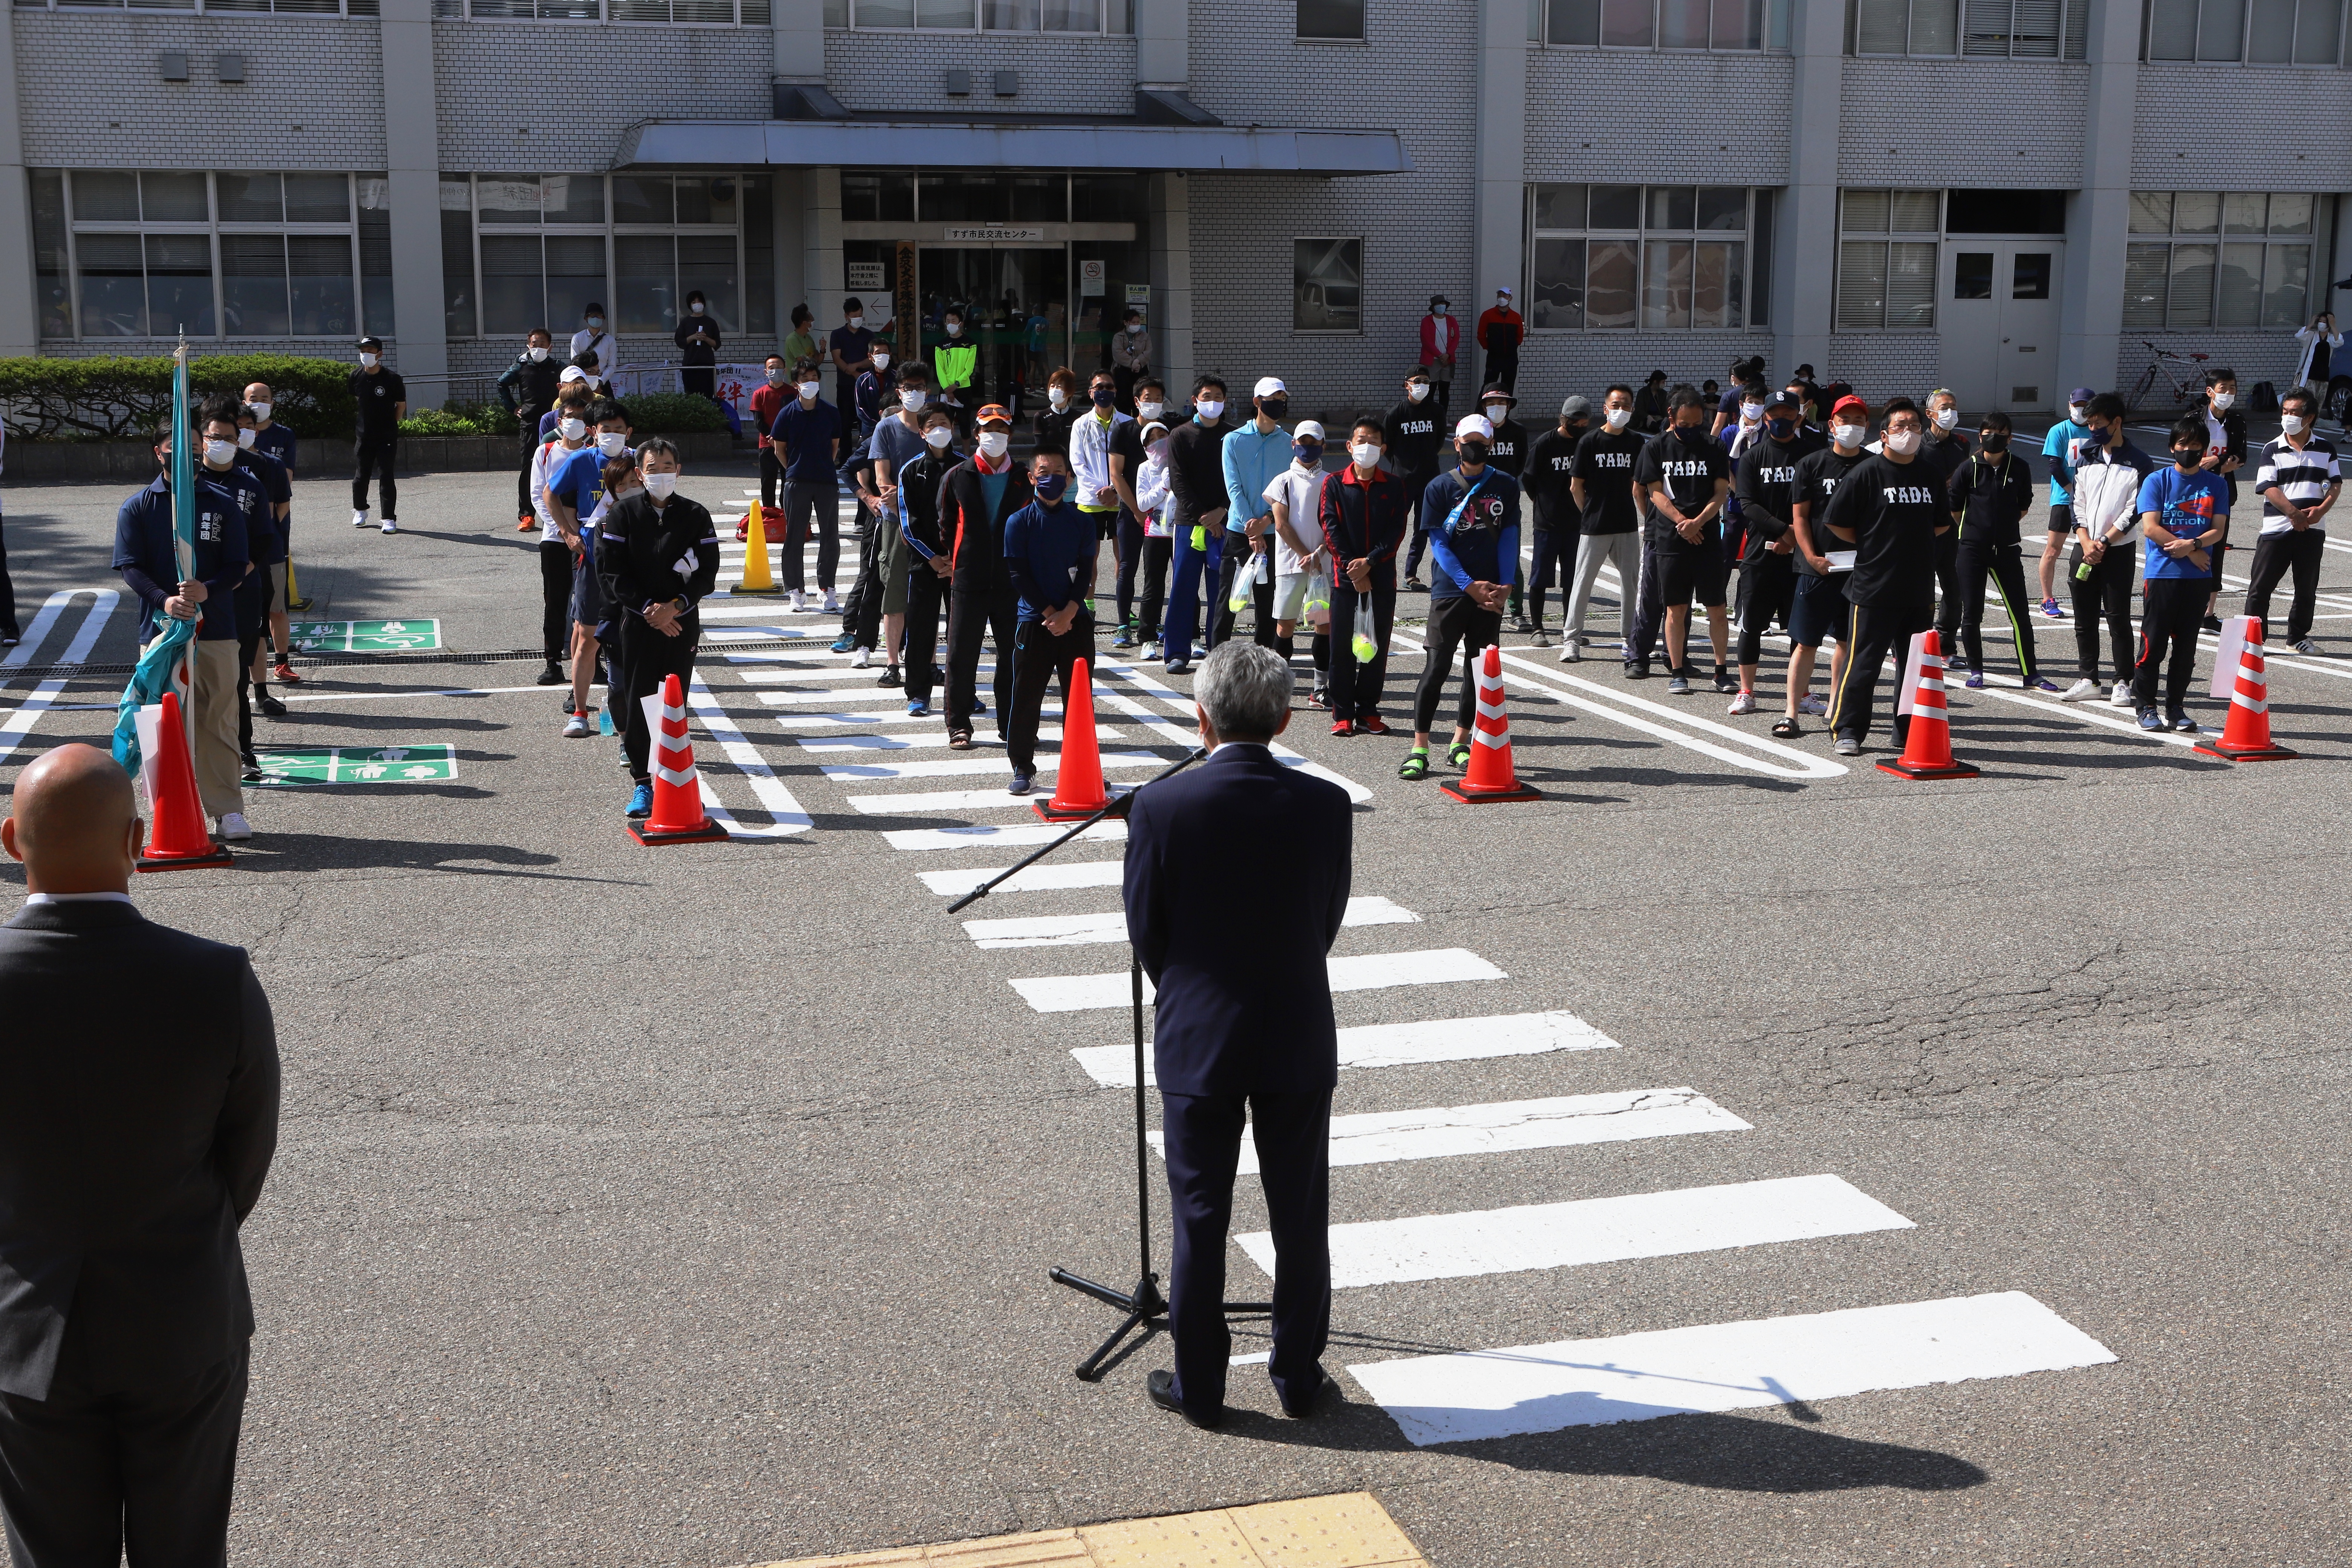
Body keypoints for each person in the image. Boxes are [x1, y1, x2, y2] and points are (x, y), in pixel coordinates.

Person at [0, 743, 280, 1566]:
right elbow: (245, 1153)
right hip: (183, 1314)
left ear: (13, 840)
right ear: (137, 838)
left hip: (24, 1322)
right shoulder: (214, 977)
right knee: (186, 1548)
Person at [1128, 640, 1349, 1430]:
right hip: (1294, 1027)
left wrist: (1188, 990)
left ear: (1202, 716)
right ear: (1286, 717)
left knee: (1199, 1216)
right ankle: (1297, 1374)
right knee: (1300, 1214)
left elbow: (1146, 929)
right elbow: (1327, 917)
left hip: (1199, 1034)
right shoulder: (1326, 803)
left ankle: (1203, 1388)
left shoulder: (1160, 807)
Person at [114, 415, 259, 842]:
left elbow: (238, 564)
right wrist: (165, 600)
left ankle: (227, 808)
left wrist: (206, 591)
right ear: (158, 453)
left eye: (195, 449)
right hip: (160, 633)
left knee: (219, 719)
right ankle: (167, 810)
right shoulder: (139, 506)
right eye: (176, 449)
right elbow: (130, 566)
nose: (189, 457)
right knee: (160, 722)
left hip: (216, 631)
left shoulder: (221, 502)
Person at [1823, 397, 1952, 757]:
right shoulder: (1866, 473)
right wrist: (1872, 542)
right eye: (1900, 427)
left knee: (1913, 668)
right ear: (1884, 435)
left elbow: (1942, 522)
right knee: (1863, 663)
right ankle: (1848, 729)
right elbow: (1836, 521)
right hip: (1873, 587)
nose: (1908, 433)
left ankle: (1907, 730)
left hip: (1918, 587)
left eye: (1914, 426)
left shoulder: (1929, 473)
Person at [600, 439, 720, 817]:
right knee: (640, 700)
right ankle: (643, 783)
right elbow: (613, 572)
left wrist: (676, 608)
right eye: (653, 468)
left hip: (681, 623)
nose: (662, 473)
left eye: (668, 466)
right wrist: (650, 609)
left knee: (673, 702)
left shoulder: (696, 514)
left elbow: (708, 571)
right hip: (638, 622)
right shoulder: (623, 515)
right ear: (640, 473)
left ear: (679, 470)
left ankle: (675, 781)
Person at [1399, 415, 1520, 782]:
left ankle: (1460, 742)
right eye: (1469, 441)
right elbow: (1439, 545)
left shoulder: (1506, 484)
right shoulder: (1439, 488)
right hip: (1452, 590)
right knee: (1436, 667)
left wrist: (1506, 585)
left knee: (1477, 671)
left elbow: (1510, 535)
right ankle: (1420, 748)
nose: (1475, 447)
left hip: (1491, 593)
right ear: (1456, 443)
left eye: (1482, 441)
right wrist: (1470, 584)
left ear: (1491, 444)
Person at [1000, 449, 1096, 796]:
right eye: (1044, 470)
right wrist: (1050, 614)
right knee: (1026, 696)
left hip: (1076, 622)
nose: (1052, 476)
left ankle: (1086, 766)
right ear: (1031, 476)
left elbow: (1086, 570)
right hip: (1034, 621)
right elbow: (1018, 575)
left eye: (1059, 471)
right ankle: (1022, 766)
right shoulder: (1019, 521)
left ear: (1069, 478)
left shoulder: (1082, 520)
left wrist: (1069, 612)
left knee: (1080, 700)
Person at [936, 404, 1032, 749]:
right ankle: (958, 725)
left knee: (1014, 655)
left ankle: (1012, 726)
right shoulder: (959, 475)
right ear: (977, 434)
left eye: (1003, 430)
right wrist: (957, 559)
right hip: (969, 579)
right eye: (989, 429)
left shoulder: (1023, 477)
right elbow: (946, 524)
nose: (996, 436)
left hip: (1011, 580)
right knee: (961, 654)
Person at [1778, 395, 1872, 738]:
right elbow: (1800, 517)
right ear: (1831, 425)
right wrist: (1812, 556)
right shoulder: (1812, 464)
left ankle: (1836, 705)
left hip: (1859, 570)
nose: (1852, 426)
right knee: (1806, 643)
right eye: (1845, 420)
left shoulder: (1873, 466)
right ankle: (1791, 712)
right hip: (1815, 567)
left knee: (1847, 642)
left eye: (1859, 421)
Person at [1943, 411, 2057, 692]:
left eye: (2000, 433)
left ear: (2010, 437)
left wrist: (2001, 527)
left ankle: (2031, 674)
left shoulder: (2018, 467)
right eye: (1988, 433)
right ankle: (1976, 670)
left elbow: (2024, 505)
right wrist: (1976, 530)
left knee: (2020, 613)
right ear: (1980, 436)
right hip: (1971, 550)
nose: (1994, 438)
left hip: (2007, 550)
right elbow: (1955, 508)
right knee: (1972, 613)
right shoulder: (1967, 468)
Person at [1727, 387, 1822, 714]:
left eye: (1788, 414)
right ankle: (1746, 691)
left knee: (1801, 629)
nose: (1781, 419)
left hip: (1802, 557)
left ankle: (1804, 693)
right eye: (1775, 414)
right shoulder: (1753, 456)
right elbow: (1747, 504)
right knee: (1752, 624)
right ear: (1765, 418)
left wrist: (1796, 537)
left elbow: (1820, 504)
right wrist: (1783, 531)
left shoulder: (1812, 455)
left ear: (1799, 416)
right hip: (1760, 553)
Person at [2130, 417, 2226, 733]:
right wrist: (2189, 550)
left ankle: (2176, 707)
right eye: (2183, 445)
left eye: (2195, 445)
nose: (2189, 450)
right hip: (2163, 574)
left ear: (2204, 449)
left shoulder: (2217, 484)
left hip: (2198, 579)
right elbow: (2150, 527)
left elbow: (2219, 529)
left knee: (2186, 648)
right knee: (2153, 643)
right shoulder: (2157, 481)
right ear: (2173, 447)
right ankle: (2145, 706)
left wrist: (2196, 544)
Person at [1636, 387, 1735, 696]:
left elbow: (1722, 492)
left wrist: (1699, 522)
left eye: (1697, 424)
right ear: (1672, 417)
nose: (1691, 430)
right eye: (1685, 424)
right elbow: (1654, 493)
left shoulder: (1715, 447)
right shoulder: (1656, 447)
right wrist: (1682, 522)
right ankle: (1677, 672)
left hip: (1706, 538)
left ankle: (1721, 671)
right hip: (1672, 539)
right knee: (1675, 609)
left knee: (1717, 608)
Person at [2058, 394, 2154, 707]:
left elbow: (2135, 509)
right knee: (2084, 618)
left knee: (2118, 618)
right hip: (2084, 548)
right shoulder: (2087, 456)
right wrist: (2085, 540)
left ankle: (2123, 681)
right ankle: (2089, 678)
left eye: (2098, 424)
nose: (2093, 429)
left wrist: (2106, 541)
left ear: (2117, 423)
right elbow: (2078, 502)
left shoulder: (2139, 462)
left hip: (2118, 550)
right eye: (2090, 424)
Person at [1319, 418, 1409, 737]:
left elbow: (1397, 532)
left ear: (1383, 449)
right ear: (1349, 446)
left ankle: (1368, 710)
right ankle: (1342, 712)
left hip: (1381, 577)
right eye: (1361, 441)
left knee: (1375, 646)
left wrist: (1370, 563)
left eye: (1373, 442)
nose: (1366, 447)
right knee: (1342, 646)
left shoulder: (1395, 485)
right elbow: (1330, 529)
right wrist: (1352, 570)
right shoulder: (1334, 483)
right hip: (1345, 580)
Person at [2245, 385, 2342, 656]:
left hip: (2312, 530)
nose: (2288, 417)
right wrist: (2294, 514)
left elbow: (2335, 484)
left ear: (2309, 417)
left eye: (2294, 412)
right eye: (2285, 411)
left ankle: (2298, 636)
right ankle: (2254, 640)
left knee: (2306, 588)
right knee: (2260, 588)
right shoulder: (2272, 448)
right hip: (2277, 529)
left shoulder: (2325, 448)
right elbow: (2268, 487)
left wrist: (2321, 511)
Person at [227, 401, 293, 775]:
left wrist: (256, 549)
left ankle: (262, 690)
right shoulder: (202, 476)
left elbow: (278, 508)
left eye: (243, 427)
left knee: (259, 626)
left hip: (263, 559)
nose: (237, 435)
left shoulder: (265, 466)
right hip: (224, 574)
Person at [1564, 385, 1645, 665]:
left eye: (1626, 406)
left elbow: (1642, 486)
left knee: (1631, 584)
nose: (1620, 410)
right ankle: (1571, 640)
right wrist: (1588, 513)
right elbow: (1576, 486)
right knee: (1582, 583)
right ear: (1605, 408)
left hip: (1626, 524)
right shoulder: (1589, 442)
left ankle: (1628, 638)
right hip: (1595, 525)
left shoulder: (1636, 443)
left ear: (1633, 410)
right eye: (1616, 405)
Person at [892, 407, 962, 718]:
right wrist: (934, 559)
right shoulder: (911, 470)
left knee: (963, 632)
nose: (938, 430)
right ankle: (918, 694)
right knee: (921, 631)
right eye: (931, 425)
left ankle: (964, 693)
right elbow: (909, 524)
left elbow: (972, 519)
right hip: (924, 564)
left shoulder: (965, 467)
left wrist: (956, 559)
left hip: (960, 564)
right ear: (922, 432)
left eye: (944, 424)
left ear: (953, 427)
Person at [1162, 377, 1231, 674]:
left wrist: (1222, 512)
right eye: (1207, 396)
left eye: (1218, 396)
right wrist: (1203, 515)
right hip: (1190, 524)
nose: (1213, 401)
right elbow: (1178, 481)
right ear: (1195, 400)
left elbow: (1235, 481)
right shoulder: (1180, 435)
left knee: (1221, 591)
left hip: (1225, 523)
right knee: (1183, 589)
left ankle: (1219, 653)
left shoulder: (1232, 436)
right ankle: (1177, 651)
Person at [1218, 377, 1291, 649]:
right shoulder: (1234, 440)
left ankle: (1265, 656)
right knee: (1230, 597)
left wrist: (1267, 522)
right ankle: (1218, 654)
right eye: (1272, 399)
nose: (1277, 404)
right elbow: (1233, 487)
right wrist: (1251, 524)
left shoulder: (1289, 443)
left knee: (1268, 599)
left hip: (1274, 532)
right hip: (1240, 531)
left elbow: (1288, 491)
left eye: (1281, 399)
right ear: (1257, 402)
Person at [1262, 419, 1331, 703]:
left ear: (1323, 446)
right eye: (1303, 442)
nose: (1308, 447)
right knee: (1285, 626)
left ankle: (1320, 688)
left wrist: (1320, 555)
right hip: (1291, 565)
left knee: (1322, 625)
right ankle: (1280, 688)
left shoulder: (1331, 480)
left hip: (1322, 566)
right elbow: (1281, 524)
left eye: (1314, 442)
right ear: (1294, 444)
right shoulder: (1283, 481)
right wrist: (1308, 556)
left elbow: (1334, 525)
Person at [770, 360, 846, 614]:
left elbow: (835, 447)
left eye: (814, 377)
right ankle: (796, 591)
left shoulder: (831, 412)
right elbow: (779, 449)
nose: (811, 382)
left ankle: (827, 590)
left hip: (826, 480)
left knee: (830, 537)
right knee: (794, 538)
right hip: (796, 481)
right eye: (805, 379)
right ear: (796, 385)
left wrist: (824, 464)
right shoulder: (787, 413)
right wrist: (793, 468)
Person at [531, 385, 594, 689]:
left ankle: (597, 662)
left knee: (590, 603)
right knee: (556, 600)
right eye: (570, 416)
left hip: (590, 539)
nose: (576, 421)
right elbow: (539, 494)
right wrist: (561, 529)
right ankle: (553, 663)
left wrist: (580, 532)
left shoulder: (594, 454)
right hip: (555, 538)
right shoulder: (545, 452)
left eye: (582, 417)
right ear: (560, 421)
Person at [1519, 394, 1588, 649]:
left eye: (1584, 423)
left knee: (1573, 580)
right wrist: (1542, 503)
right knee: (1540, 578)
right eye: (1575, 422)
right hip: (1547, 523)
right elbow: (1528, 479)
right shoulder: (1545, 444)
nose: (1580, 427)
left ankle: (1571, 629)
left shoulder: (1585, 444)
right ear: (1565, 419)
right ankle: (1538, 628)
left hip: (1576, 523)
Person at [241, 382, 300, 665]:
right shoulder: (222, 462)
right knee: (248, 606)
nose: (259, 403)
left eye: (265, 399)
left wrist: (267, 528)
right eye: (254, 399)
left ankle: (282, 661)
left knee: (277, 603)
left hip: (272, 539)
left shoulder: (277, 449)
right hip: (238, 543)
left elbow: (283, 495)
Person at [1070, 369, 1133, 615]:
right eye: (1099, 388)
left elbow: (1134, 464)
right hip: (1090, 501)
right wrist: (1101, 491)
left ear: (1116, 391)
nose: (1104, 392)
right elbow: (1077, 463)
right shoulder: (1080, 425)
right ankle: (1088, 604)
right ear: (1091, 392)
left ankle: (1124, 607)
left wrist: (1116, 492)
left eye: (1109, 387)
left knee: (1124, 558)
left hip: (1122, 501)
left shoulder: (1127, 423)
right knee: (1089, 558)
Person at [1107, 375, 1164, 649]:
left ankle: (1155, 623)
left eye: (1157, 399)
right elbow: (1116, 475)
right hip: (1131, 510)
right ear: (1137, 401)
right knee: (1127, 567)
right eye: (1148, 398)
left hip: (1165, 514)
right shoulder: (1123, 431)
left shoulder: (1168, 432)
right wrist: (1137, 511)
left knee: (1160, 571)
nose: (1152, 403)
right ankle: (1122, 625)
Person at [2038, 388, 2096, 618]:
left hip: (2092, 501)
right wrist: (2072, 492)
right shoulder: (2059, 431)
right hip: (2064, 499)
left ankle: (2087, 597)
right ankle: (2046, 599)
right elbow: (2054, 466)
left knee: (2090, 550)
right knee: (2053, 550)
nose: (2081, 409)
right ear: (2070, 406)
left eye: (2086, 405)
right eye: (2078, 404)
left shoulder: (2098, 431)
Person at [1384, 369, 1443, 591]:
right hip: (1403, 481)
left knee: (1422, 528)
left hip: (1429, 480)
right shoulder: (1395, 414)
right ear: (1407, 385)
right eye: (1417, 381)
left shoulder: (1436, 411)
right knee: (1396, 526)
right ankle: (1386, 569)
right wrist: (1403, 467)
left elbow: (1438, 443)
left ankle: (1411, 574)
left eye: (1426, 381)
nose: (1422, 385)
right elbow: (1387, 447)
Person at [2196, 368, 2246, 631]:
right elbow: (2188, 458)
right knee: (2194, 546)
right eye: (2223, 388)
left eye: (2232, 388)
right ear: (2210, 391)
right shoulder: (2195, 419)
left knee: (2217, 550)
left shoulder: (2237, 420)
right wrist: (2218, 465)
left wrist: (2215, 462)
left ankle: (2208, 612)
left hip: (2223, 493)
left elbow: (2241, 456)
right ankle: (2188, 606)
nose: (2228, 393)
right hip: (2194, 493)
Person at [498, 327, 562, 530]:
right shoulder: (521, 367)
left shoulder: (558, 367)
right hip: (530, 423)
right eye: (535, 344)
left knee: (557, 466)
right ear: (529, 346)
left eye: (542, 344)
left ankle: (558, 513)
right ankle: (527, 515)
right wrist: (513, 408)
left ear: (550, 347)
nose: (538, 347)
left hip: (555, 424)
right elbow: (502, 384)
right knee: (528, 468)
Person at [1130, 419, 1178, 658]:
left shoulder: (1180, 463)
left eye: (1163, 435)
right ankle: (1147, 638)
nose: (1159, 441)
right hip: (1155, 533)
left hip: (1182, 531)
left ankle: (1190, 636)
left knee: (1184, 583)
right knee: (1153, 585)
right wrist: (1163, 487)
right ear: (1146, 446)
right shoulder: (1144, 469)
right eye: (1153, 438)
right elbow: (1143, 503)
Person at [348, 335, 404, 534]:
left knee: (386, 476)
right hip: (364, 435)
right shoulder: (355, 376)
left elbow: (401, 406)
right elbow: (357, 400)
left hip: (386, 437)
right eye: (363, 351)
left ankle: (389, 519)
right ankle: (360, 511)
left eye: (370, 351)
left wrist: (389, 424)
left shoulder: (392, 379)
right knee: (361, 476)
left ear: (379, 354)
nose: (366, 355)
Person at [750, 352, 792, 518]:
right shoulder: (760, 394)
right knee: (768, 481)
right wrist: (772, 438)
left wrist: (783, 440)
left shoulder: (793, 393)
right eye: (772, 368)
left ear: (785, 370)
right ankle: (769, 515)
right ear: (766, 372)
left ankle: (787, 513)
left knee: (788, 480)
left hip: (789, 444)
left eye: (779, 368)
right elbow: (759, 422)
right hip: (767, 445)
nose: (776, 371)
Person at [829, 297, 875, 413]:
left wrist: (856, 366)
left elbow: (873, 358)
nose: (858, 319)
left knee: (866, 419)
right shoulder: (837, 335)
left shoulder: (869, 335)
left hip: (866, 383)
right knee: (845, 421)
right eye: (854, 316)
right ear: (847, 317)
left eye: (860, 315)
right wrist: (855, 374)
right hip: (845, 384)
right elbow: (837, 359)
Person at [1475, 285, 1522, 394]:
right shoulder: (1488, 315)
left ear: (1510, 298)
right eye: (1500, 295)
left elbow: (1520, 336)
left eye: (1505, 296)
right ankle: (1481, 410)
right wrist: (1489, 348)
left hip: (1511, 359)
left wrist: (1515, 345)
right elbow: (1481, 335)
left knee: (1508, 388)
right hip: (1494, 358)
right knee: (1489, 387)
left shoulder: (1516, 317)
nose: (1502, 298)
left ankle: (1505, 411)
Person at [674, 290, 721, 400]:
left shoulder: (711, 322)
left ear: (704, 304)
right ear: (690, 305)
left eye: (699, 302)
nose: (697, 304)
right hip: (690, 363)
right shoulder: (685, 322)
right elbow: (680, 342)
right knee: (691, 396)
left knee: (708, 396)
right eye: (694, 302)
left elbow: (717, 344)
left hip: (707, 364)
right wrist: (693, 337)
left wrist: (705, 339)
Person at [1419, 295, 1459, 422]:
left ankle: (1443, 417)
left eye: (1443, 303)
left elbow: (1456, 338)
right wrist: (1439, 355)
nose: (1441, 306)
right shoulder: (1427, 321)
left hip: (1448, 360)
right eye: (1438, 304)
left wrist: (1448, 354)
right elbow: (1426, 341)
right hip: (1433, 360)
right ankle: (1428, 417)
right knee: (1430, 389)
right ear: (1433, 307)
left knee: (1444, 389)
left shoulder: (1451, 320)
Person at [2293, 311, 2341, 407]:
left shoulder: (2331, 339)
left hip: (2324, 377)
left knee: (2318, 405)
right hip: (2310, 376)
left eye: (2324, 322)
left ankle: (2314, 421)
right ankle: (2306, 421)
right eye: (2320, 321)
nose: (2321, 324)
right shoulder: (2312, 336)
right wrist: (2311, 324)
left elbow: (2339, 342)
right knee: (2308, 403)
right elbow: (2299, 336)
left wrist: (2334, 326)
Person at [1034, 366, 1081, 462]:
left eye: (1060, 387)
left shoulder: (1078, 418)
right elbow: (1041, 450)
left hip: (1073, 471)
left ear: (1069, 392)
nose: (1055, 390)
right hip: (1050, 469)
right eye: (1052, 386)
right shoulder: (1040, 417)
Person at [1111, 307, 1151, 409]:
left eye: (1138, 322)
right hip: (1123, 370)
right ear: (1126, 323)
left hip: (1141, 369)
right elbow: (1118, 354)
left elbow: (1148, 351)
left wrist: (1138, 361)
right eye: (1133, 323)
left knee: (1141, 396)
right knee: (1124, 399)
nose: (1136, 325)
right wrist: (1133, 362)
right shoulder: (1118, 336)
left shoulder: (1145, 336)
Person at [568, 301, 614, 378]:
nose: (596, 318)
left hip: (603, 382)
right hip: (584, 381)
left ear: (603, 319)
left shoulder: (610, 340)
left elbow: (612, 366)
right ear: (586, 318)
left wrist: (601, 381)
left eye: (599, 316)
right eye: (593, 316)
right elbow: (575, 365)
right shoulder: (577, 338)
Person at [782, 304, 819, 377]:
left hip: (810, 380)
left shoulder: (808, 337)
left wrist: (823, 350)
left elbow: (818, 359)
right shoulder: (793, 339)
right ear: (805, 323)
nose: (813, 322)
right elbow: (803, 362)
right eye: (812, 320)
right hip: (798, 382)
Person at [1631, 369, 1669, 435]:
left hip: (1658, 417)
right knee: (1653, 426)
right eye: (1663, 382)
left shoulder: (1663, 394)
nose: (1664, 384)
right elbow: (1639, 409)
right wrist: (1648, 417)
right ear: (1655, 382)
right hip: (1645, 418)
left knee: (1664, 425)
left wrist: (1666, 418)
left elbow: (1665, 408)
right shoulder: (1643, 392)